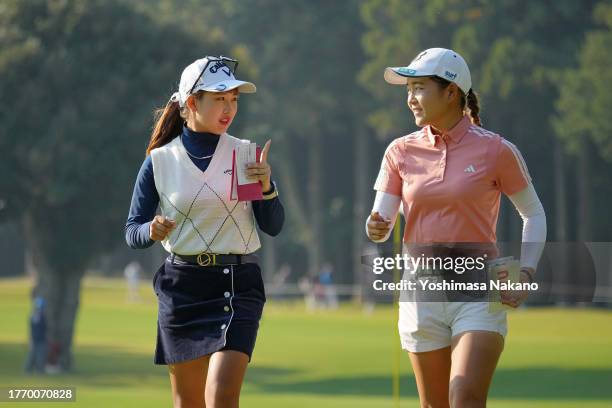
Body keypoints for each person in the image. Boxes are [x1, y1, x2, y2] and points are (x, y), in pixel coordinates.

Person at [366, 48, 546, 407]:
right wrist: (375, 227)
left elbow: (534, 214)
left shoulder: (496, 150)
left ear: (451, 93)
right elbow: (381, 225)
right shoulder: (399, 151)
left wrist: (526, 271)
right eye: (408, 90)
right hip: (421, 290)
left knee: (465, 395)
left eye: (419, 88)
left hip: (479, 287)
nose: (410, 99)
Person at [125, 55, 284, 408]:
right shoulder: (160, 160)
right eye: (220, 99)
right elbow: (132, 230)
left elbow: (273, 226)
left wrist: (268, 186)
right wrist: (151, 230)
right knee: (189, 403)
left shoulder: (244, 155)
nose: (229, 109)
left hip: (236, 284)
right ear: (192, 103)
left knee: (222, 396)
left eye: (234, 100)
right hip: (182, 289)